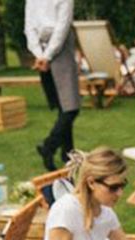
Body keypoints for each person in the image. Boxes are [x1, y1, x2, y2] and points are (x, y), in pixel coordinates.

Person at [25, 0, 81, 172]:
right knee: (70, 108)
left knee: (62, 107)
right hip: (57, 50)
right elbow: (62, 27)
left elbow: (29, 28)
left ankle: (68, 153)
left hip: (43, 52)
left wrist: (39, 54)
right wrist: (45, 56)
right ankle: (49, 146)